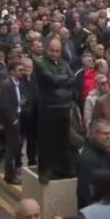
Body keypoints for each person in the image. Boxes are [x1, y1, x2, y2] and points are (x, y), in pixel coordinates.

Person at [34, 38, 81, 184]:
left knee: (63, 140)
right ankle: (44, 171)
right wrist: (63, 81)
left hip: (64, 107)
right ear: (46, 49)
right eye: (52, 50)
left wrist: (59, 82)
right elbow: (51, 80)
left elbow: (73, 79)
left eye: (57, 51)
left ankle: (61, 168)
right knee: (46, 140)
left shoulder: (64, 63)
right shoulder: (40, 63)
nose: (54, 53)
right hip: (48, 108)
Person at [77, 119, 110, 208]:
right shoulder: (88, 159)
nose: (109, 137)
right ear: (94, 133)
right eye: (105, 134)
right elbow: (84, 191)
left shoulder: (106, 153)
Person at [0, 60, 25, 185]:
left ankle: (15, 171)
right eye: (20, 70)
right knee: (11, 148)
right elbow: (4, 106)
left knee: (18, 145)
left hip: (18, 116)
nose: (22, 72)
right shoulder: (6, 85)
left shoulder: (18, 83)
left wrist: (20, 103)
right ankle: (9, 176)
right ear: (12, 71)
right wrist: (13, 120)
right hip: (12, 120)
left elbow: (14, 100)